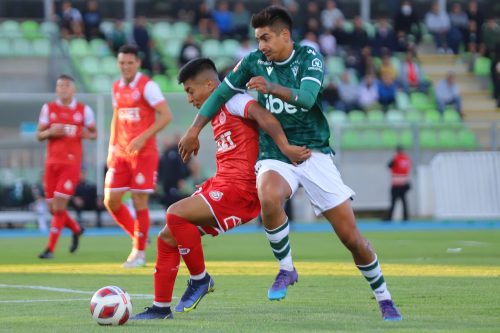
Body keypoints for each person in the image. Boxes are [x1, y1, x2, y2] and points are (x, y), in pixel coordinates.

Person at [178, 6, 402, 321]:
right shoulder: (254, 61)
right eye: (258, 39)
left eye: (266, 38)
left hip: (313, 153)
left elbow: (308, 98)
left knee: (352, 238)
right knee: (268, 194)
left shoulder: (310, 58)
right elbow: (221, 94)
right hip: (275, 152)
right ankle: (286, 269)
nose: (262, 46)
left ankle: (384, 297)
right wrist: (193, 130)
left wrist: (271, 88)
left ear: (285, 35)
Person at [131, 58, 309, 319]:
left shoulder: (234, 100)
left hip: (240, 189)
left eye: (191, 91)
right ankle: (160, 309)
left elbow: (263, 115)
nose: (190, 98)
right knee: (167, 237)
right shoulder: (214, 114)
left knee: (175, 212)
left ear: (210, 84)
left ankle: (200, 280)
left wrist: (284, 149)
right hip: (222, 183)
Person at [104, 45, 173, 268]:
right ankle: (139, 235)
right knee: (111, 200)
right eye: (122, 62)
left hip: (144, 153)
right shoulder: (116, 87)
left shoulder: (147, 86)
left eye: (129, 62)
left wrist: (143, 137)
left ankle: (139, 253)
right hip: (121, 154)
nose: (125, 66)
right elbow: (116, 117)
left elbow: (166, 116)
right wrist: (111, 146)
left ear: (138, 63)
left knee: (138, 200)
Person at [37, 74, 96, 259]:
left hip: (71, 165)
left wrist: (81, 132)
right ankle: (77, 229)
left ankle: (50, 249)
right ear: (56, 89)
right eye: (60, 85)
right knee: (52, 208)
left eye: (66, 85)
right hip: (51, 163)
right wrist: (49, 132)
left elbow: (93, 134)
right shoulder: (48, 108)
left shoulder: (83, 110)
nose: (63, 88)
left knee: (60, 205)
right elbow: (39, 135)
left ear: (73, 89)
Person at [385, 146, 411, 221]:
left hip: (396, 184)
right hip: (404, 183)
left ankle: (389, 217)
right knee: (404, 201)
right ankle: (405, 217)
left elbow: (389, 165)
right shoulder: (406, 159)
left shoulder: (396, 158)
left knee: (393, 202)